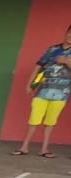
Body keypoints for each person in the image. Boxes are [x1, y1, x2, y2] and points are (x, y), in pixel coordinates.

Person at [10, 25, 71, 159]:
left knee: (50, 122)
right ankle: (24, 147)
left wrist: (66, 61)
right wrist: (29, 85)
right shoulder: (52, 49)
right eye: (70, 33)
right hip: (43, 91)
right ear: (66, 32)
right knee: (33, 120)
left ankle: (44, 149)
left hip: (61, 94)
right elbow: (38, 68)